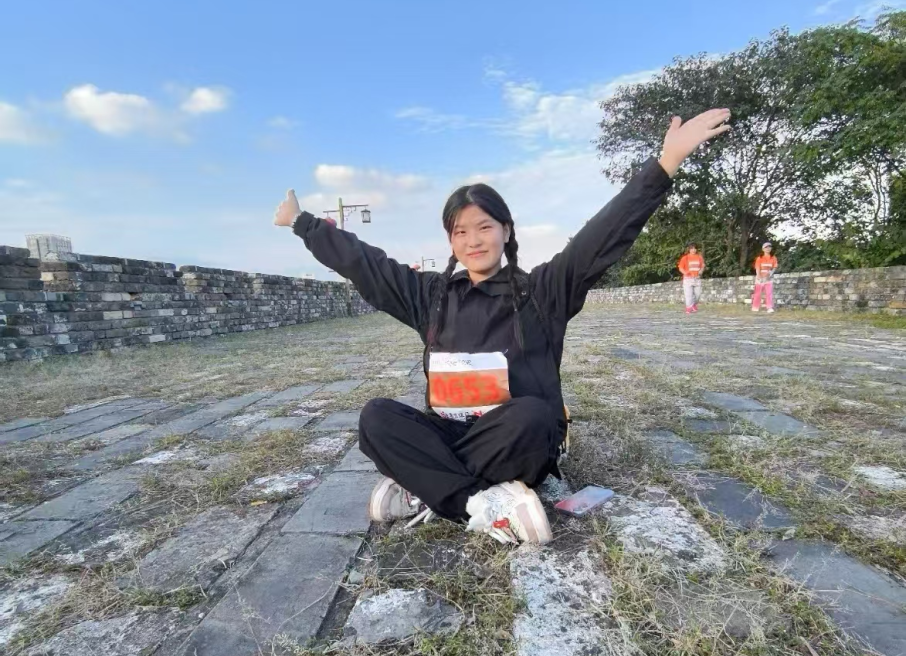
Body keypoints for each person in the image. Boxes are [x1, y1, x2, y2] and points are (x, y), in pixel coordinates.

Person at [273, 108, 731, 545]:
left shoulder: (543, 291)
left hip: (513, 438)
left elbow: (601, 237)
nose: (473, 240)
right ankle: (479, 503)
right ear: (450, 240)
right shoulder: (431, 296)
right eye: (460, 231)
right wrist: (302, 223)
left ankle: (426, 487)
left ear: (506, 231)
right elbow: (366, 264)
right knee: (376, 418)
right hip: (453, 432)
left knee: (534, 415)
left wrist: (666, 162)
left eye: (484, 227)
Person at [677, 242, 705, 314]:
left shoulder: (699, 257)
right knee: (688, 295)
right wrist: (685, 273)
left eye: (695, 248)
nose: (693, 250)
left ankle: (693, 305)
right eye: (692, 248)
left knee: (698, 294)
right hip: (688, 279)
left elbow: (702, 266)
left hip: (697, 279)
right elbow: (680, 268)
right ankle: (688, 307)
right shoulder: (685, 258)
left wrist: (701, 271)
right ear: (689, 249)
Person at [752, 242, 778, 313]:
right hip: (760, 277)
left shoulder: (773, 258)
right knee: (758, 293)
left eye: (769, 247)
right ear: (763, 249)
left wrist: (770, 274)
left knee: (769, 293)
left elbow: (774, 267)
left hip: (768, 278)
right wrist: (759, 277)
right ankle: (755, 307)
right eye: (766, 247)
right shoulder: (759, 258)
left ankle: (769, 307)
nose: (768, 248)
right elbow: (757, 268)